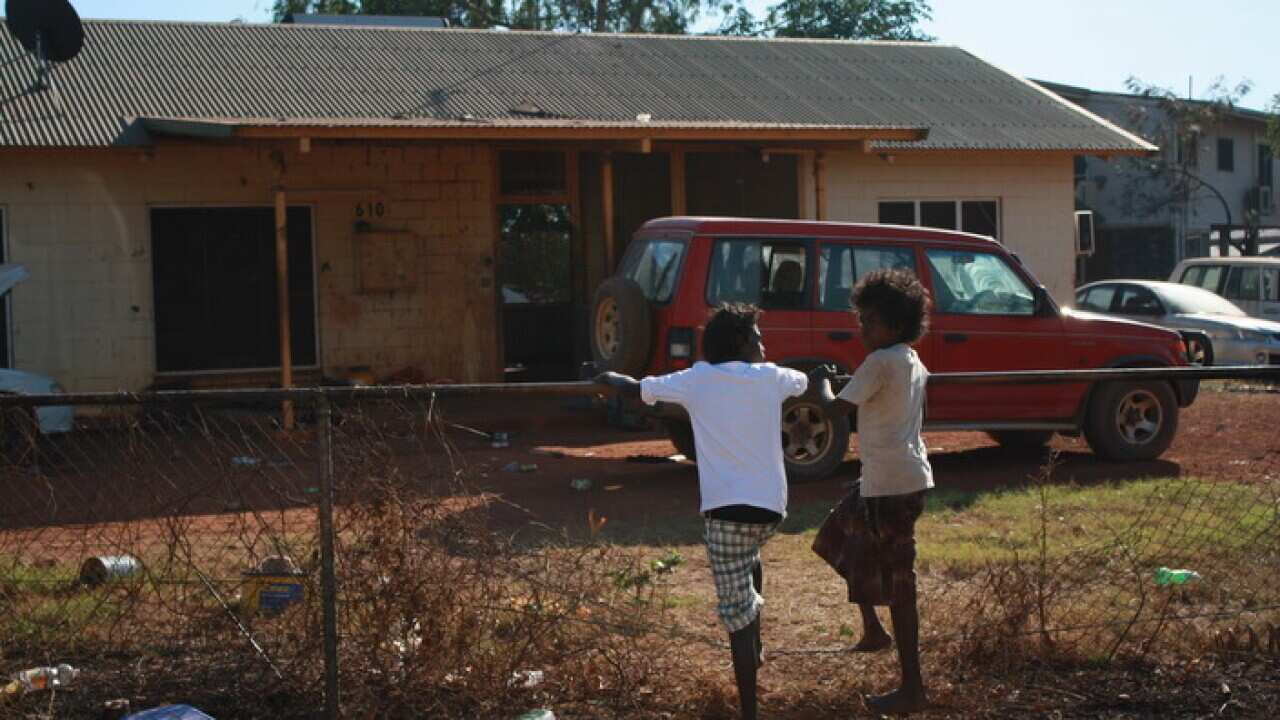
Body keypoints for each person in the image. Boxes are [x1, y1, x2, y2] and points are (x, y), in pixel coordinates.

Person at [595, 304, 807, 720]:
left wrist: (605, 377)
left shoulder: (697, 379)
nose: (763, 343)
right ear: (743, 342)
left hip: (725, 515)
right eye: (758, 337)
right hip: (771, 512)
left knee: (736, 617)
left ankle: (749, 705)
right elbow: (806, 382)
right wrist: (820, 380)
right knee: (750, 556)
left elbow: (635, 389)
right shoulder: (772, 377)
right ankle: (756, 642)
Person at [807, 268, 933, 715]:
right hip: (893, 479)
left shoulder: (880, 361)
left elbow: (834, 409)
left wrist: (820, 382)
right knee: (838, 537)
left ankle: (913, 688)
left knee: (900, 583)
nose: (862, 329)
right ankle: (873, 630)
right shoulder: (910, 360)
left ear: (895, 325)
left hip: (890, 486)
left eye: (870, 321)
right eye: (861, 319)